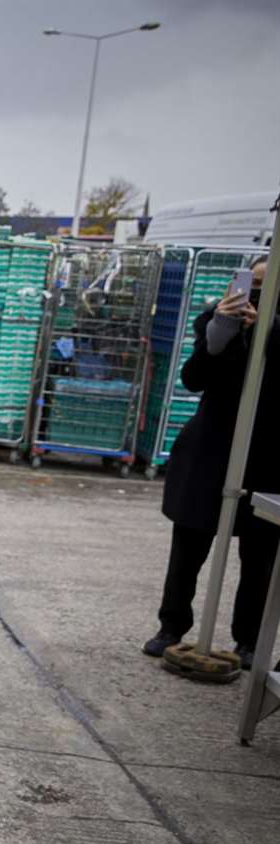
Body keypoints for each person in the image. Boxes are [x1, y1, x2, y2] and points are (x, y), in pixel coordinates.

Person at [145, 257, 279, 671]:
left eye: (263, 287)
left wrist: (266, 332)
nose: (252, 297)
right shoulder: (213, 322)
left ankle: (250, 641)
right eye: (248, 286)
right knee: (189, 542)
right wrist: (222, 333)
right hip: (211, 447)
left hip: (267, 454)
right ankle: (172, 626)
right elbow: (194, 377)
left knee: (260, 555)